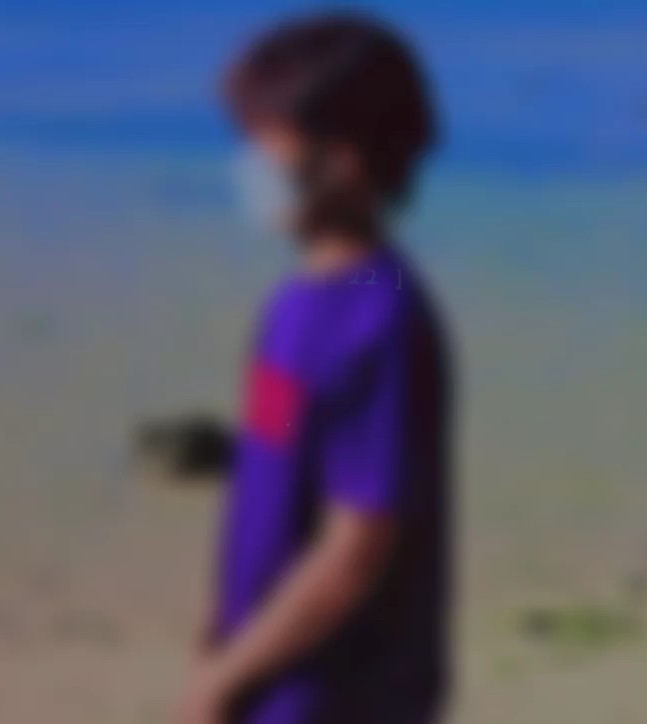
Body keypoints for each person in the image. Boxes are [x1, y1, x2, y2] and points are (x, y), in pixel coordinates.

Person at [180, 12, 456, 724]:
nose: (246, 168)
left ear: (343, 161)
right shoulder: (293, 306)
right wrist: (223, 618)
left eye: (262, 146)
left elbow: (357, 545)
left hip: (339, 693)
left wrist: (226, 680)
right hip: (270, 667)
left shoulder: (381, 322)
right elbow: (268, 464)